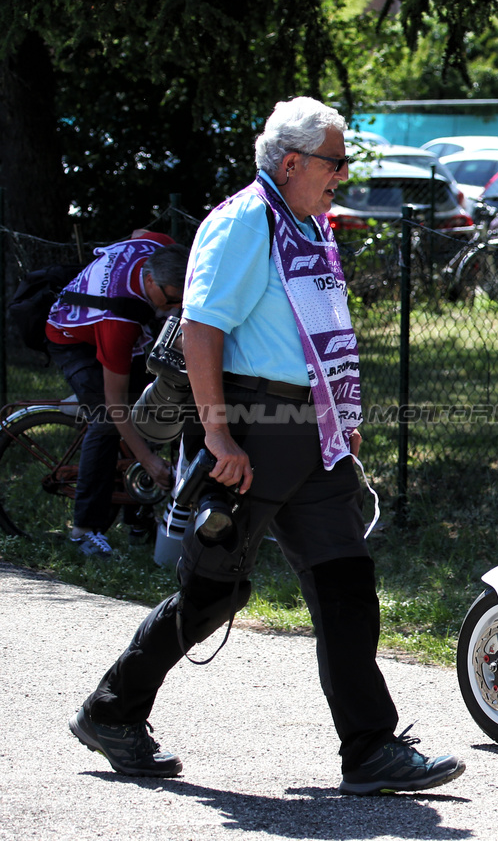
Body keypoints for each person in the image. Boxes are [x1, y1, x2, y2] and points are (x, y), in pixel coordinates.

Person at [68, 97, 465, 796]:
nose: (342, 174)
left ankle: (370, 749)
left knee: (347, 584)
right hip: (254, 428)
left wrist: (340, 415)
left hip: (310, 434)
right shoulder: (247, 221)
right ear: (292, 163)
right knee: (212, 594)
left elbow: (313, 330)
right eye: (334, 162)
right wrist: (217, 431)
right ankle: (112, 711)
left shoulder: (305, 224)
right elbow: (201, 327)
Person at [46, 233, 189, 558]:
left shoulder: (158, 247)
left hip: (116, 314)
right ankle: (84, 529)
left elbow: (139, 233)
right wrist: (150, 462)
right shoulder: (119, 323)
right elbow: (116, 405)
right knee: (107, 421)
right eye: (170, 300)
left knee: (156, 396)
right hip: (72, 338)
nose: (174, 308)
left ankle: (138, 515)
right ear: (150, 280)